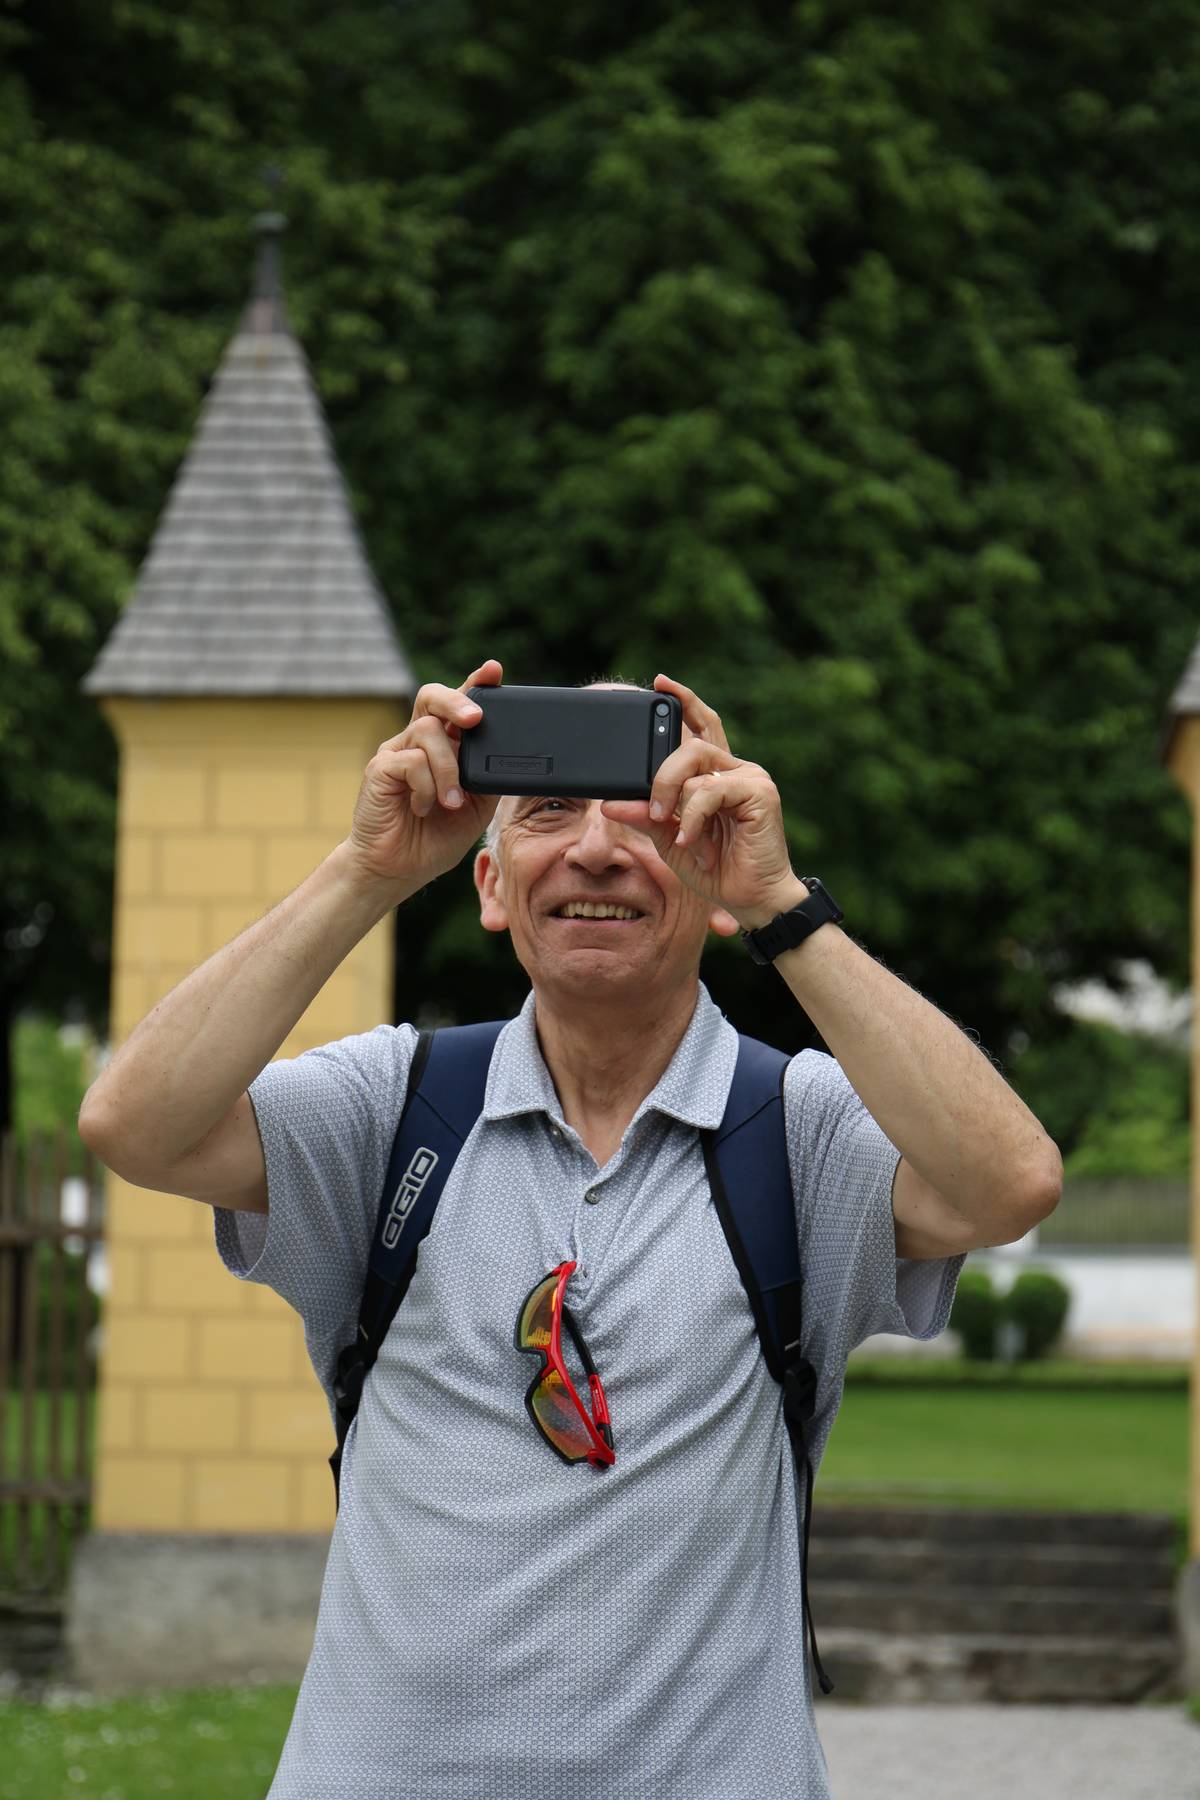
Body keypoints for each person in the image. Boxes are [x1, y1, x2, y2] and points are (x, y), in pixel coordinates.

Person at [79, 658, 1062, 1799]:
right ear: (491, 885)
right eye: (548, 809)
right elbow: (133, 1123)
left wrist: (787, 907)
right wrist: (367, 872)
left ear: (710, 875)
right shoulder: (396, 1109)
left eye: (647, 809)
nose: (596, 847)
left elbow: (1012, 1183)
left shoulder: (794, 1132)